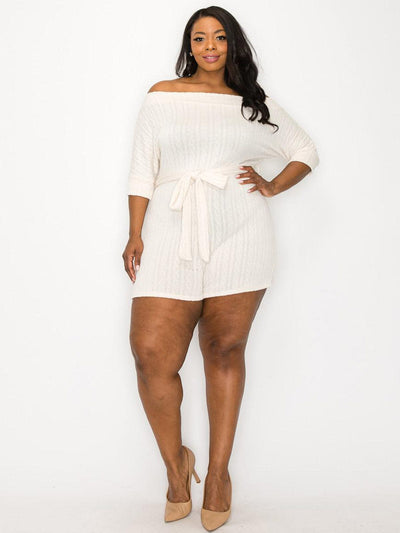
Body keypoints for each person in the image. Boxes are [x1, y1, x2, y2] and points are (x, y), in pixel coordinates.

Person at [122, 6, 319, 531]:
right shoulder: (162, 95)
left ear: (233, 44)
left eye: (220, 37)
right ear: (189, 46)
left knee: (224, 349)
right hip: (170, 230)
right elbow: (142, 169)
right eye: (200, 38)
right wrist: (136, 232)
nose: (210, 45)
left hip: (241, 233)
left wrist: (272, 186)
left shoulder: (252, 105)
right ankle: (176, 467)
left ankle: (217, 476)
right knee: (150, 355)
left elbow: (304, 150)